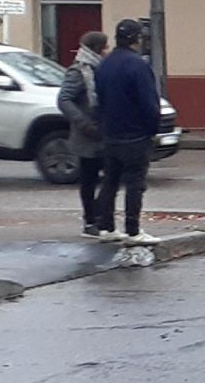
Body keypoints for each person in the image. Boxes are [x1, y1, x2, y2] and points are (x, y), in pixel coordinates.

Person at [92, 18, 162, 245]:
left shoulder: (105, 64)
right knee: (134, 183)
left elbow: (98, 100)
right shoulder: (138, 66)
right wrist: (152, 130)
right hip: (135, 135)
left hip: (110, 134)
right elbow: (149, 103)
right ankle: (133, 230)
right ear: (136, 39)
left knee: (110, 181)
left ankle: (106, 227)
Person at [56, 31, 109, 237]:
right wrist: (83, 123)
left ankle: (99, 216)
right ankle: (90, 221)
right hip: (87, 134)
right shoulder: (79, 71)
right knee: (89, 179)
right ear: (96, 48)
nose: (107, 50)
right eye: (105, 47)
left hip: (102, 131)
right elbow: (64, 99)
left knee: (112, 174)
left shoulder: (100, 68)